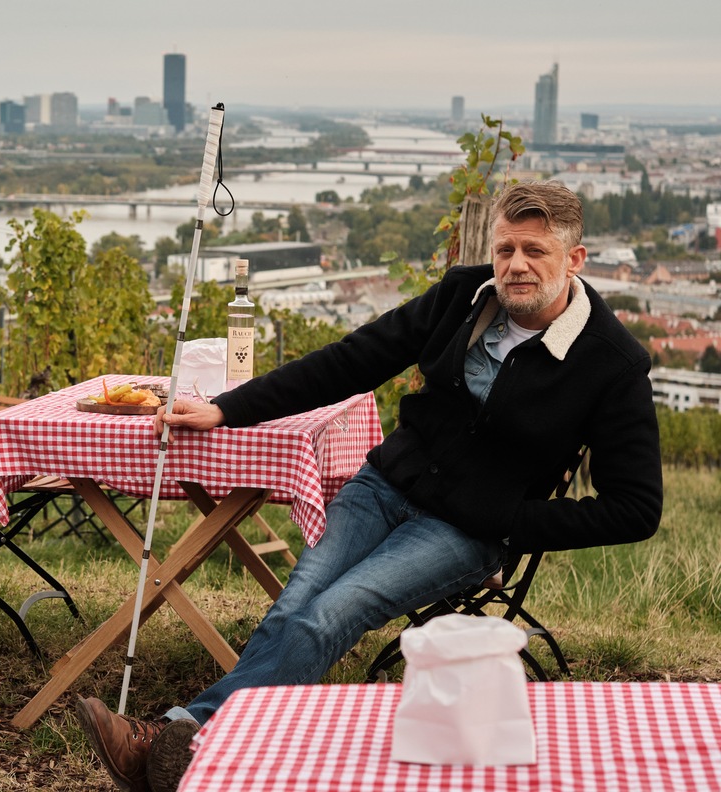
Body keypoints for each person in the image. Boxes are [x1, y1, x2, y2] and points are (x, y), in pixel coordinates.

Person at [76, 180, 663, 792]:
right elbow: (352, 359)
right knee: (294, 605)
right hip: (384, 485)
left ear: (574, 259)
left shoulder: (611, 362)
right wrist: (229, 408)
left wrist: (509, 520)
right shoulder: (465, 295)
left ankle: (179, 739)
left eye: (535, 251)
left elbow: (635, 508)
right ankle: (195, 749)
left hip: (465, 531)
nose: (515, 266)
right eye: (505, 248)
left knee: (330, 613)